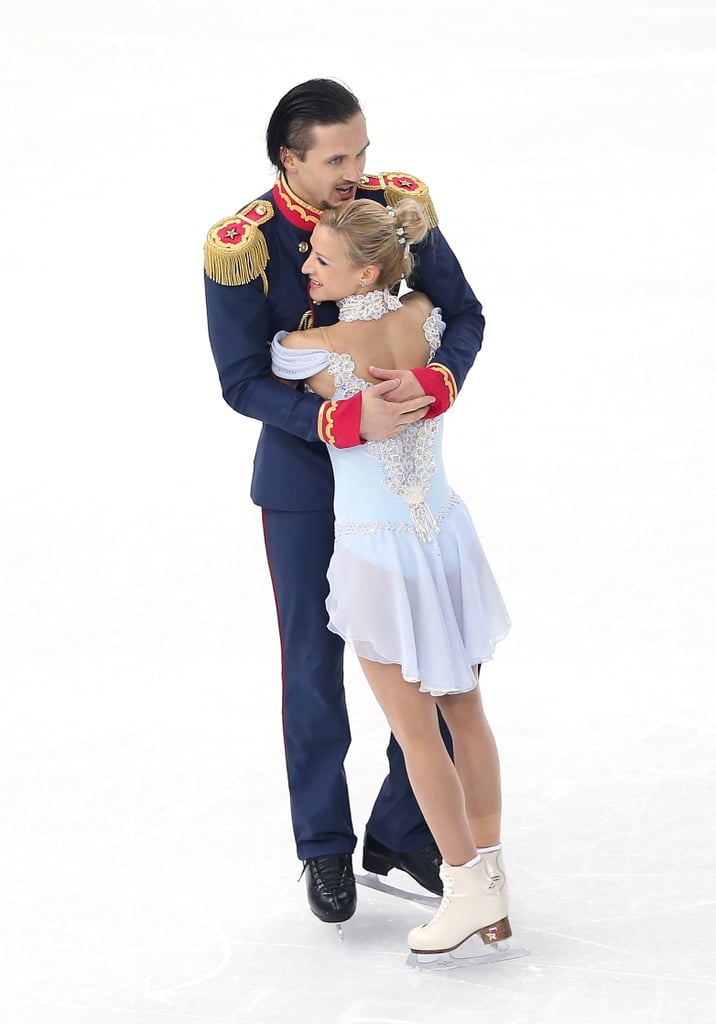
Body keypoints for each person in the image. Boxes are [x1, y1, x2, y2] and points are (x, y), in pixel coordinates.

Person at [203, 79, 486, 926]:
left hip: (400, 482)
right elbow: (242, 378)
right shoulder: (243, 244)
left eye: (361, 150)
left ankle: (403, 827)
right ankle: (322, 846)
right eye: (336, 158)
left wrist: (437, 381)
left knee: (426, 650)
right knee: (315, 664)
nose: (356, 170)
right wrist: (335, 418)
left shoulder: (390, 210)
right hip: (302, 487)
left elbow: (461, 315)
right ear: (288, 159)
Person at [270, 197, 511, 954]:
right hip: (446, 539)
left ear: (364, 269)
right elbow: (461, 315)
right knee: (464, 712)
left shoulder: (310, 351)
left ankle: (466, 890)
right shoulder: (426, 320)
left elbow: (255, 377)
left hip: (379, 554)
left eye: (321, 259)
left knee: (416, 733)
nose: (305, 266)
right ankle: (494, 885)